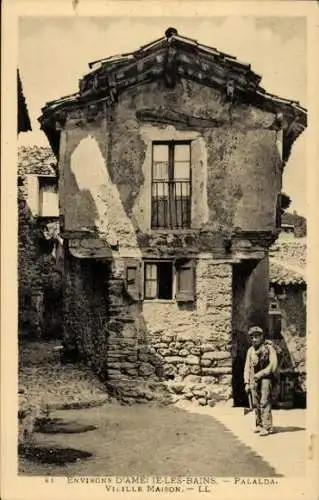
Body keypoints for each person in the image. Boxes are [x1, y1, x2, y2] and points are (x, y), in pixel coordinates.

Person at [244, 326, 278, 436]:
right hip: (254, 379)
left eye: (257, 337)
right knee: (255, 402)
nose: (254, 339)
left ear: (261, 337)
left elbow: (273, 366)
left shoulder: (269, 348)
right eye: (252, 337)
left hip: (266, 378)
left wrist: (261, 374)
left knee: (264, 401)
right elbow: (247, 367)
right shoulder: (250, 350)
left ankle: (267, 427)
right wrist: (247, 383)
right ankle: (259, 424)